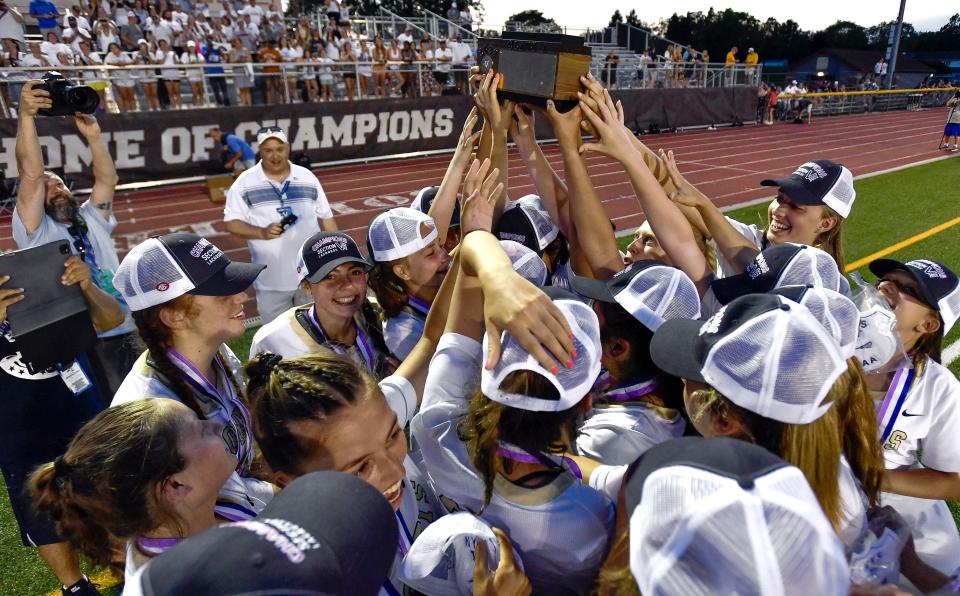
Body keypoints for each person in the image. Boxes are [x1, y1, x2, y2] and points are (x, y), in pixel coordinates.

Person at [0, 254, 123, 596]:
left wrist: (86, 287)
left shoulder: (30, 274)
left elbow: (112, 318)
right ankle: (75, 586)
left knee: (109, 488)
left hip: (81, 406)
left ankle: (125, 561)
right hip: (18, 428)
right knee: (40, 509)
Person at [12, 81, 140, 396]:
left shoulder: (91, 218)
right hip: (84, 340)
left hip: (128, 328)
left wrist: (94, 139)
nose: (53, 189)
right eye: (45, 187)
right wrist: (26, 118)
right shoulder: (35, 230)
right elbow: (30, 172)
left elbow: (108, 179)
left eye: (58, 184)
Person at [31, 399, 240, 580]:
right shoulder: (196, 582)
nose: (215, 424)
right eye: (201, 431)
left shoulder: (207, 502)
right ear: (174, 485)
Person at [866, 258, 960, 574]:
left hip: (891, 521)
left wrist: (870, 479)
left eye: (906, 289)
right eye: (886, 279)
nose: (885, 287)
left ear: (928, 325)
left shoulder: (938, 386)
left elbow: (954, 481)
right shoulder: (832, 344)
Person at [223, 126, 337, 324]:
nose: (275, 155)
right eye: (268, 150)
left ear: (288, 148)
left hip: (310, 277)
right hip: (271, 282)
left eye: (279, 149)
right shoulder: (244, 183)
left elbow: (327, 219)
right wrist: (261, 232)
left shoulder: (307, 177)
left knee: (316, 335)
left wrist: (336, 259)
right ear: (260, 151)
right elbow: (231, 223)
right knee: (277, 341)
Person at [249, 231, 393, 378]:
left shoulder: (380, 313)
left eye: (355, 272)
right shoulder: (273, 342)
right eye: (330, 276)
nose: (347, 285)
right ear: (306, 286)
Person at [366, 207, 450, 359]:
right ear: (402, 272)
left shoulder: (441, 285)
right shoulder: (402, 334)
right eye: (431, 253)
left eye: (441, 245)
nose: (445, 255)